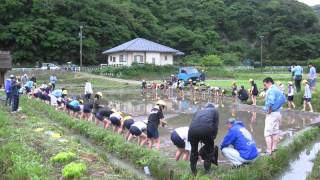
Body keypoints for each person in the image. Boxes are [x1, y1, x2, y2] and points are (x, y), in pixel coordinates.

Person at [188, 103, 219, 175]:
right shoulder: (215, 111)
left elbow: (193, 122)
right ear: (213, 107)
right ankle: (207, 172)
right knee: (209, 151)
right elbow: (215, 126)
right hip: (206, 130)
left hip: (192, 131)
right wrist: (212, 138)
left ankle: (193, 172)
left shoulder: (198, 111)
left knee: (193, 151)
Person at [263, 77, 286, 155]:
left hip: (272, 113)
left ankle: (269, 151)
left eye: (265, 84)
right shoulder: (277, 89)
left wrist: (269, 109)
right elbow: (284, 99)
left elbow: (271, 101)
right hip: (278, 113)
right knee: (275, 131)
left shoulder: (271, 90)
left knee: (267, 133)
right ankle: (274, 148)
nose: (264, 86)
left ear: (269, 82)